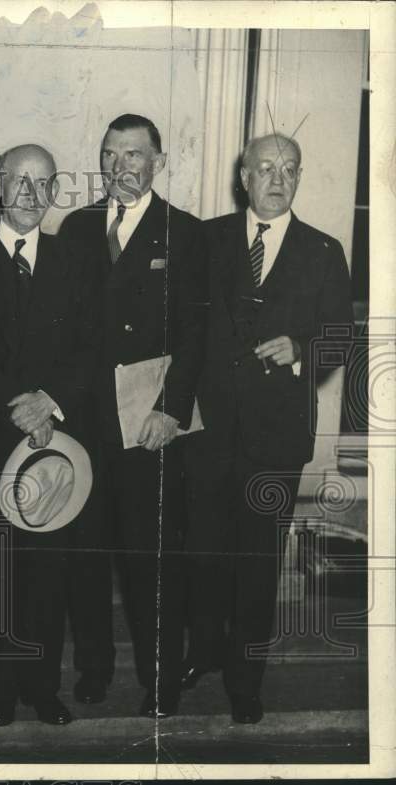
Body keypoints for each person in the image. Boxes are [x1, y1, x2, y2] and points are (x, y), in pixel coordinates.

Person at [183, 133, 353, 724]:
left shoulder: (324, 250)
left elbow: (340, 341)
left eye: (289, 169)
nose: (277, 178)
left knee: (257, 561)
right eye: (265, 168)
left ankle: (244, 679)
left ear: (299, 178)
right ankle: (202, 651)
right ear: (243, 176)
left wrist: (302, 348)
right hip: (205, 431)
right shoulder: (205, 239)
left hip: (276, 437)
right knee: (202, 553)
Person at [0, 144, 102, 726]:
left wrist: (48, 403)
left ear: (55, 192)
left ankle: (43, 690)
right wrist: (12, 405)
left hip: (57, 441)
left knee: (48, 571)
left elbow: (93, 347)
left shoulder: (78, 260)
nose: (30, 195)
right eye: (19, 182)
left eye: (43, 184)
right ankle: (1, 692)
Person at [56, 113, 208, 717]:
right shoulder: (76, 227)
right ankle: (95, 669)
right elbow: (60, 330)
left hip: (151, 426)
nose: (122, 167)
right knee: (87, 557)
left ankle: (162, 679)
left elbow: (197, 336)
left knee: (152, 560)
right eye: (112, 154)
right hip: (87, 424)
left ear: (158, 163)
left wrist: (171, 410)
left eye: (135, 155)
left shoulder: (186, 233)